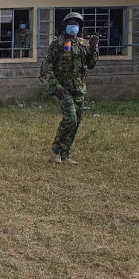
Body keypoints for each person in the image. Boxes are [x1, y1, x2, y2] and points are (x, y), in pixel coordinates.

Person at [40, 11, 99, 164]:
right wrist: (55, 86)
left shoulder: (82, 44)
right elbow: (47, 66)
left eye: (77, 23)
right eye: (71, 23)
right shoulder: (57, 44)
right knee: (69, 117)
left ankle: (65, 153)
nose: (74, 26)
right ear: (65, 26)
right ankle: (55, 152)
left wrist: (94, 48)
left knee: (77, 120)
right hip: (62, 88)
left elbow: (91, 65)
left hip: (78, 88)